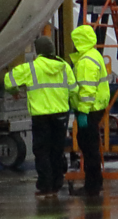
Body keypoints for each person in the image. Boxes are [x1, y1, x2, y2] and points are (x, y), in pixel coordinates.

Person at [6, 35, 75, 197]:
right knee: (57, 150)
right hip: (61, 115)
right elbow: (73, 90)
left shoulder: (31, 68)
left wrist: (14, 92)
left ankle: (45, 185)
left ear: (38, 51)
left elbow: (8, 80)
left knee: (41, 150)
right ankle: (57, 184)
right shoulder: (64, 67)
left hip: (41, 116)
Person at [69, 24, 111, 197]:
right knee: (90, 146)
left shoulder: (86, 62)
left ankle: (92, 186)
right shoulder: (94, 55)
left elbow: (87, 90)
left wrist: (83, 112)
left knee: (88, 147)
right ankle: (94, 184)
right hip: (96, 107)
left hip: (89, 109)